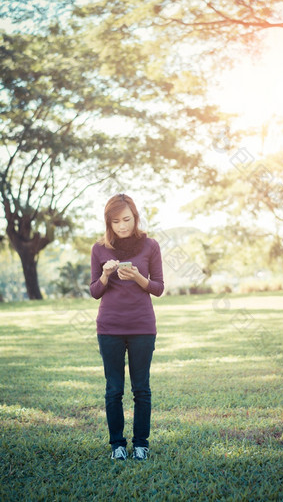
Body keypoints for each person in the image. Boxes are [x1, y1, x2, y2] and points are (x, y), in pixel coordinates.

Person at [90, 193, 164, 461]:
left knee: (141, 388)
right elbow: (94, 292)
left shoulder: (150, 246)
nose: (122, 226)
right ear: (108, 222)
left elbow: (158, 288)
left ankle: (141, 444)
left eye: (127, 219)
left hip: (142, 327)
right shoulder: (99, 249)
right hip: (109, 328)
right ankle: (117, 446)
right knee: (114, 389)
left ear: (135, 217)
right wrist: (106, 274)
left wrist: (138, 278)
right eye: (116, 221)